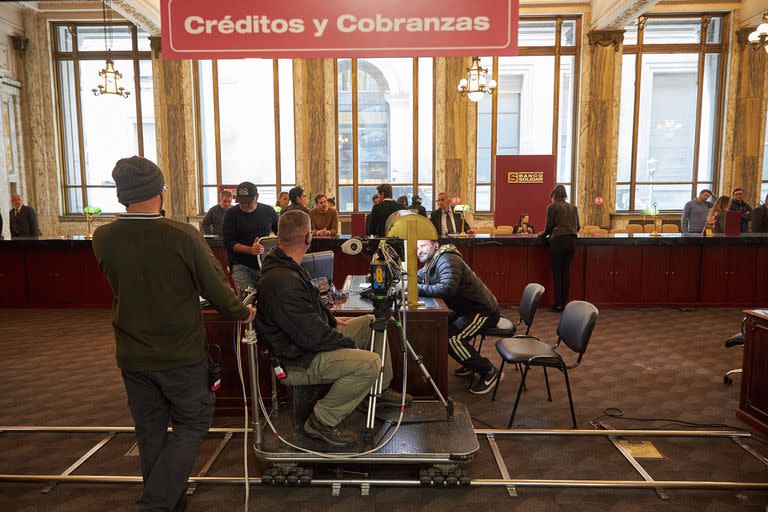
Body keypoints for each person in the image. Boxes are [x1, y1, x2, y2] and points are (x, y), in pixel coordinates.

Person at [92, 156, 255, 512]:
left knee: (150, 434)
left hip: (132, 354)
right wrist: (244, 311)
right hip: (180, 353)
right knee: (193, 421)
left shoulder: (102, 237)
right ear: (159, 190)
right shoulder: (181, 234)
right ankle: (155, 505)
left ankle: (169, 502)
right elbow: (217, 290)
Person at [255, 210, 410, 447]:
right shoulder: (282, 279)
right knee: (369, 362)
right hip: (298, 361)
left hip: (307, 346)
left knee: (371, 323)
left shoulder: (286, 266)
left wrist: (335, 323)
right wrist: (345, 342)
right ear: (309, 237)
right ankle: (322, 420)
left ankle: (378, 393)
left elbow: (306, 317)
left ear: (279, 237)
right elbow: (310, 336)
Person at [416, 240, 503, 394]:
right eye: (417, 247)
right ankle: (469, 361)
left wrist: (416, 288)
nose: (419, 251)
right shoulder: (432, 262)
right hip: (465, 309)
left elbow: (447, 288)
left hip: (483, 311)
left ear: (435, 246)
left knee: (452, 340)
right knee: (438, 326)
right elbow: (420, 277)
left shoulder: (447, 259)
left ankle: (489, 370)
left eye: (423, 246)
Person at [222, 182, 279, 292]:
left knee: (267, 298)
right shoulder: (231, 214)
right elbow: (228, 243)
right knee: (248, 298)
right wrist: (250, 250)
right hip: (240, 264)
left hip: (265, 265)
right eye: (241, 202)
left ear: (256, 197)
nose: (244, 205)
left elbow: (280, 235)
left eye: (248, 202)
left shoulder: (268, 211)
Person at [539, 184, 580, 313]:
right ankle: (564, 303)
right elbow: (578, 226)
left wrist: (540, 235)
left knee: (557, 273)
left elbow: (549, 228)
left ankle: (557, 304)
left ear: (554, 196)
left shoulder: (552, 207)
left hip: (558, 242)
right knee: (565, 272)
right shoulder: (573, 207)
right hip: (572, 241)